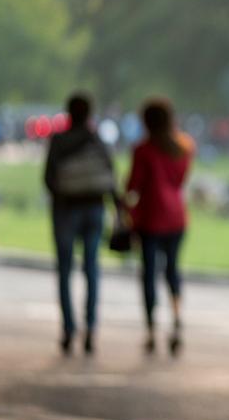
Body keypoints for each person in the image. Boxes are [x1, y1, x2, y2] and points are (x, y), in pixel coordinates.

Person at [44, 93, 117, 355]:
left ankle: (68, 328)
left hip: (66, 210)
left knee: (64, 270)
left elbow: (49, 178)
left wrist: (65, 193)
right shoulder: (97, 140)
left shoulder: (59, 141)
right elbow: (111, 176)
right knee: (91, 268)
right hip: (94, 209)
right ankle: (90, 327)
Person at [125, 98, 194, 355]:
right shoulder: (184, 148)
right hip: (176, 216)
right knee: (173, 270)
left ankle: (151, 329)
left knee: (149, 274)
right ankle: (176, 320)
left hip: (150, 218)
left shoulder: (143, 150)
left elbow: (133, 185)